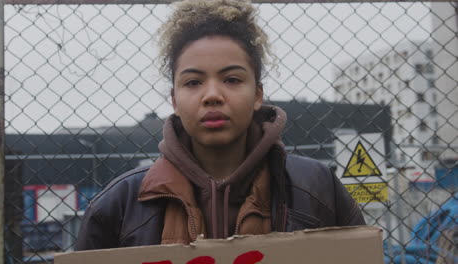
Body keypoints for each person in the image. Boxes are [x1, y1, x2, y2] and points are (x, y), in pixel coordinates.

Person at [75, 0, 365, 250]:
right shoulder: (118, 205)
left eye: (232, 79)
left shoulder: (318, 187)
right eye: (193, 82)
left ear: (258, 95)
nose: (212, 95)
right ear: (174, 99)